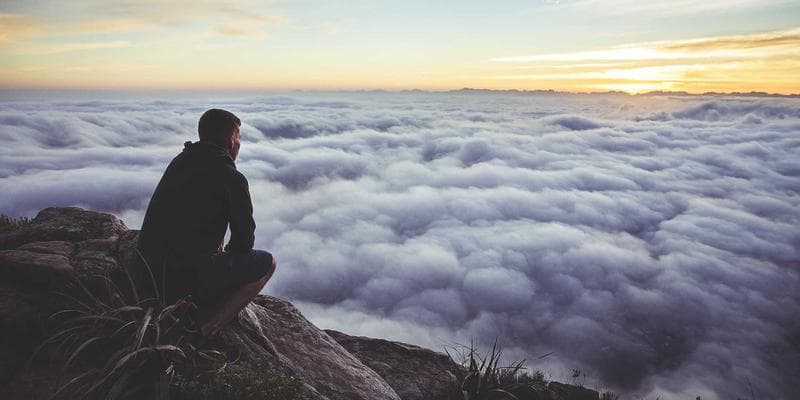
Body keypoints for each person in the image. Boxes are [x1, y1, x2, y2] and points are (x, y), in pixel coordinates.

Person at [137, 108, 276, 338]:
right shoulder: (231, 177)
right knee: (267, 263)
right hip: (182, 281)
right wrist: (222, 261)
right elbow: (244, 242)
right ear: (232, 142)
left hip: (147, 273)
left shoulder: (180, 161)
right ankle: (204, 330)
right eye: (238, 139)